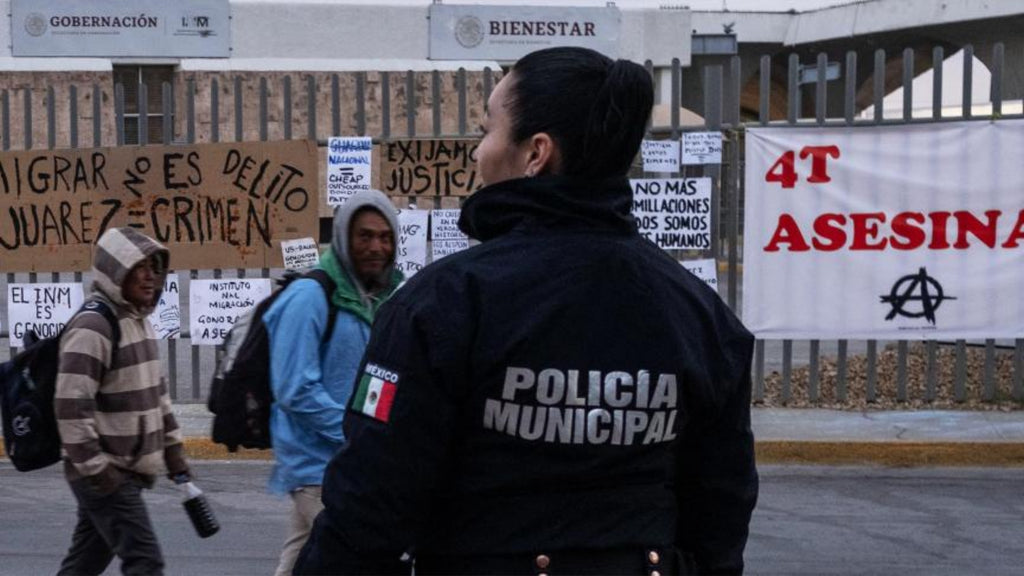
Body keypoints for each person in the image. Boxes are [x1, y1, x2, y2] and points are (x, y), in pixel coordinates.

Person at [296, 46, 758, 576]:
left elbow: (368, 509)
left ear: (536, 153)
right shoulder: (700, 315)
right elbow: (722, 512)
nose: (477, 152)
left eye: (487, 129)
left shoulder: (444, 304)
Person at [265, 189, 404, 576]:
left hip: (349, 462)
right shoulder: (310, 297)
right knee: (358, 556)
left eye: (384, 236)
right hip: (318, 468)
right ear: (344, 237)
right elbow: (295, 389)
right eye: (365, 236)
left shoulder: (378, 297)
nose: (376, 247)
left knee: (298, 560)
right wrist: (358, 433)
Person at [55, 227, 190, 576]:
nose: (151, 277)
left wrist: (173, 450)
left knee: (84, 564)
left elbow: (156, 395)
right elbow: (70, 406)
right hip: (107, 472)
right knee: (145, 562)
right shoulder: (93, 327)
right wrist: (98, 471)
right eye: (139, 267)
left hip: (124, 471)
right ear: (116, 271)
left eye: (155, 267)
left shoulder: (137, 321)